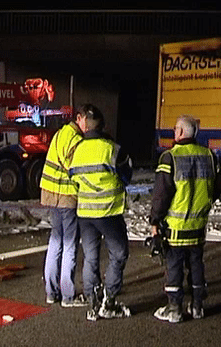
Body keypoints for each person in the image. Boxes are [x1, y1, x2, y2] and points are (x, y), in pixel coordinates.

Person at [150, 115, 221, 323]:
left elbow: (161, 195)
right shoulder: (209, 156)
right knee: (196, 265)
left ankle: (174, 309)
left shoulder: (170, 157)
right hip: (198, 227)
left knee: (174, 267)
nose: (174, 132)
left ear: (180, 133)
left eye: (175, 129)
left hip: (176, 228)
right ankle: (197, 306)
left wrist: (155, 221)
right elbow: (217, 188)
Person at [68, 105, 133, 321]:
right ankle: (110, 300)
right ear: (103, 127)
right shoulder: (112, 149)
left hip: (85, 213)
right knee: (119, 253)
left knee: (90, 257)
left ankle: (92, 302)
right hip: (108, 213)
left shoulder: (76, 150)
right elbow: (126, 176)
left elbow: (73, 178)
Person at [41, 105, 92, 308]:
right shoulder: (75, 140)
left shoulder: (61, 133)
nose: (88, 127)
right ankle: (68, 296)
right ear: (78, 118)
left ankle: (51, 292)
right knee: (70, 245)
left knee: (56, 242)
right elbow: (74, 168)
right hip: (66, 196)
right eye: (86, 121)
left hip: (51, 194)